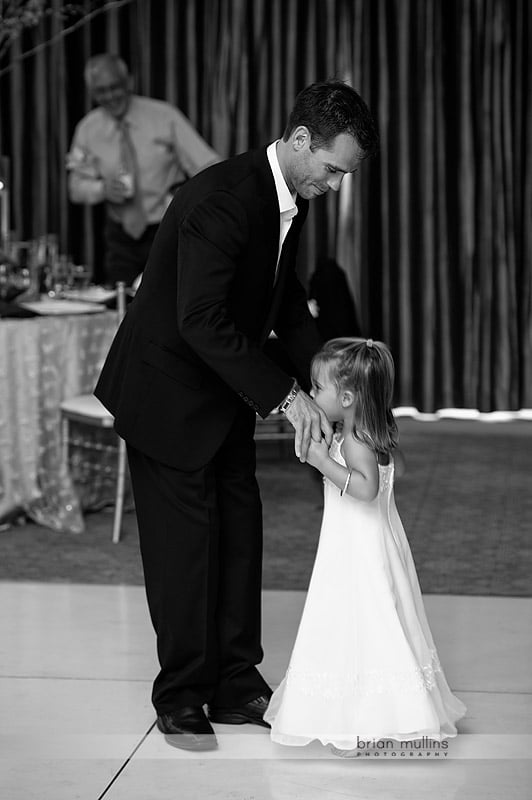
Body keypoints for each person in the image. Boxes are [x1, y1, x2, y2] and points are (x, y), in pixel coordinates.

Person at [94, 80, 379, 752]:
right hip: (166, 396)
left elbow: (282, 303)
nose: (335, 186)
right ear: (301, 139)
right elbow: (201, 320)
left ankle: (235, 681)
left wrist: (337, 389)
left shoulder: (288, 197)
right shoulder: (223, 199)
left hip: (221, 392)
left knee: (238, 531)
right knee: (185, 551)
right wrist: (288, 397)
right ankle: (181, 696)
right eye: (333, 170)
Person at [265, 338, 467, 753]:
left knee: (363, 617)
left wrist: (323, 462)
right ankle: (380, 703)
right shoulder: (367, 431)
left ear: (347, 396)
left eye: (317, 389)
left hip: (357, 548)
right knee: (375, 617)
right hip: (374, 539)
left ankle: (374, 711)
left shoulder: (354, 439)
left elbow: (366, 490)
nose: (313, 394)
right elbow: (397, 470)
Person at [67, 54, 220, 286]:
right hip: (120, 236)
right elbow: (75, 187)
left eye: (114, 87)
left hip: (168, 229)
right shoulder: (88, 129)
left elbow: (209, 166)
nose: (109, 96)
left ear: (129, 81)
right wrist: (101, 189)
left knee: (168, 303)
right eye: (101, 91)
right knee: (123, 308)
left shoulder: (164, 117)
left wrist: (187, 198)